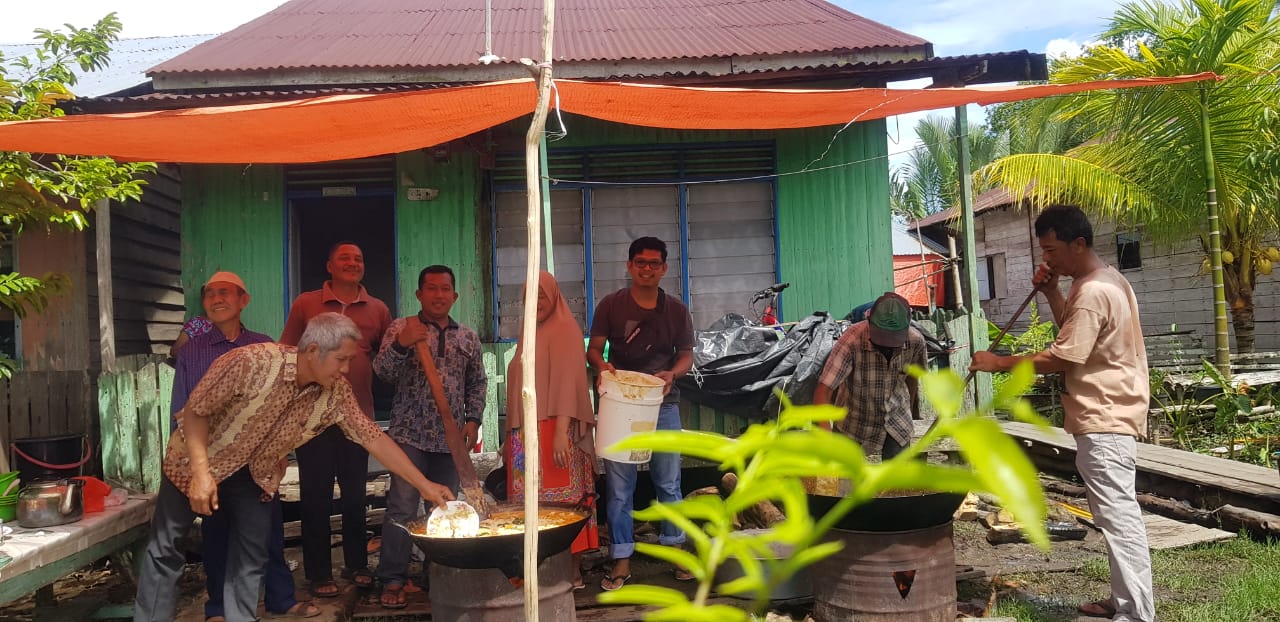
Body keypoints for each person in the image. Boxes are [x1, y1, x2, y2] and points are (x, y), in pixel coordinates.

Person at [134, 313, 453, 622]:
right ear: (313, 350)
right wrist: (202, 474)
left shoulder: (336, 392)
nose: (345, 369)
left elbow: (373, 438)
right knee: (166, 549)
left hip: (254, 473)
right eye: (341, 360)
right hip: (194, 460)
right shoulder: (252, 362)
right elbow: (196, 411)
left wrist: (424, 485)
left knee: (249, 558)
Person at [970, 204, 1153, 622]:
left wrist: (999, 363)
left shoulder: (1093, 291)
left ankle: (1136, 613)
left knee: (1119, 519)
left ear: (1079, 244)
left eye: (1051, 250)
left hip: (1105, 417)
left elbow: (1065, 357)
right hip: (1108, 414)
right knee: (1113, 517)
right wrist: (1052, 292)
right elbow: (1076, 336)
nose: (1047, 259)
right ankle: (1124, 602)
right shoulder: (1107, 281)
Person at [170, 272, 317, 621]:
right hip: (213, 461)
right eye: (210, 294)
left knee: (270, 532)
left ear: (243, 300)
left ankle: (281, 598)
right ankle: (218, 608)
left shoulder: (263, 345)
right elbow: (182, 409)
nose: (216, 299)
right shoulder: (193, 351)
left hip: (258, 460)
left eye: (225, 293)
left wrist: (281, 452)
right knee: (217, 534)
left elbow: (283, 403)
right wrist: (195, 466)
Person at [279, 241, 391, 596]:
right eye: (344, 258)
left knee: (356, 495)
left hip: (356, 415)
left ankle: (357, 565)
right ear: (329, 265)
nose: (352, 263)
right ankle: (319, 573)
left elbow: (387, 359)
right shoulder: (306, 303)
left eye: (358, 258)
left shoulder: (377, 309)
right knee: (316, 496)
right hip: (311, 417)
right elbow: (288, 351)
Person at [373, 265, 487, 609]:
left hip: (450, 441)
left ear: (455, 295)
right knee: (402, 506)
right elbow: (382, 374)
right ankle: (393, 578)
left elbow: (477, 382)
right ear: (419, 294)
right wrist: (401, 345)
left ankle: (437, 575)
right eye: (432, 288)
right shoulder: (402, 328)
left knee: (445, 509)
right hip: (409, 435)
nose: (439, 295)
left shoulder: (467, 337)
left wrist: (473, 420)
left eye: (445, 289)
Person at [587, 236, 694, 592]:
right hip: (619, 403)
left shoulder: (676, 310)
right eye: (641, 263)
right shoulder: (611, 305)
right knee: (620, 488)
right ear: (630, 266)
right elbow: (594, 349)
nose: (647, 269)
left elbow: (686, 355)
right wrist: (603, 367)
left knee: (669, 483)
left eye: (654, 263)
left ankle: (675, 550)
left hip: (664, 403)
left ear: (664, 268)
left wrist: (672, 374)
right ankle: (621, 558)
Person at [505, 271, 600, 590]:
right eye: (529, 296)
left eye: (541, 295)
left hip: (556, 430)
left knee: (565, 503)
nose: (536, 303)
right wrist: (511, 436)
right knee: (528, 503)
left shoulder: (565, 329)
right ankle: (537, 572)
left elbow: (568, 381)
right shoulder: (528, 330)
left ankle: (571, 571)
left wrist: (561, 431)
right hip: (525, 433)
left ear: (554, 296)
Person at [813, 291, 926, 459]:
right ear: (868, 319)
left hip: (896, 421)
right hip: (854, 421)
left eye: (893, 339)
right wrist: (825, 436)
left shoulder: (916, 341)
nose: (887, 344)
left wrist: (911, 410)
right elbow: (824, 389)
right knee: (845, 474)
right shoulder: (851, 339)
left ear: (907, 325)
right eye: (882, 337)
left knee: (897, 474)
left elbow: (913, 378)